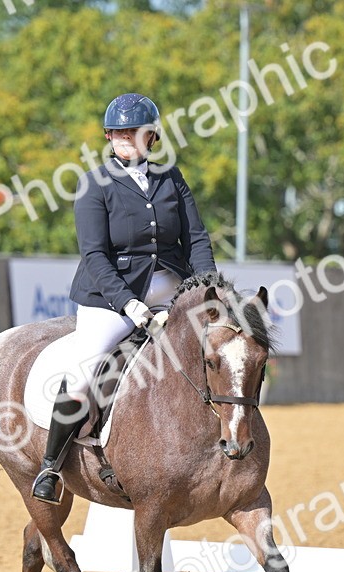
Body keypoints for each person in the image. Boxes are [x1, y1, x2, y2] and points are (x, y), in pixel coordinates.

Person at [31, 92, 217, 504]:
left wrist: (207, 286)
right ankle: (51, 466)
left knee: (220, 345)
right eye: (117, 132)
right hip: (109, 295)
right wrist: (128, 304)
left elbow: (197, 237)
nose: (124, 138)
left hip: (170, 284)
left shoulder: (171, 176)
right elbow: (94, 253)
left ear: (151, 137)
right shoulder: (94, 183)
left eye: (133, 132)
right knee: (86, 369)